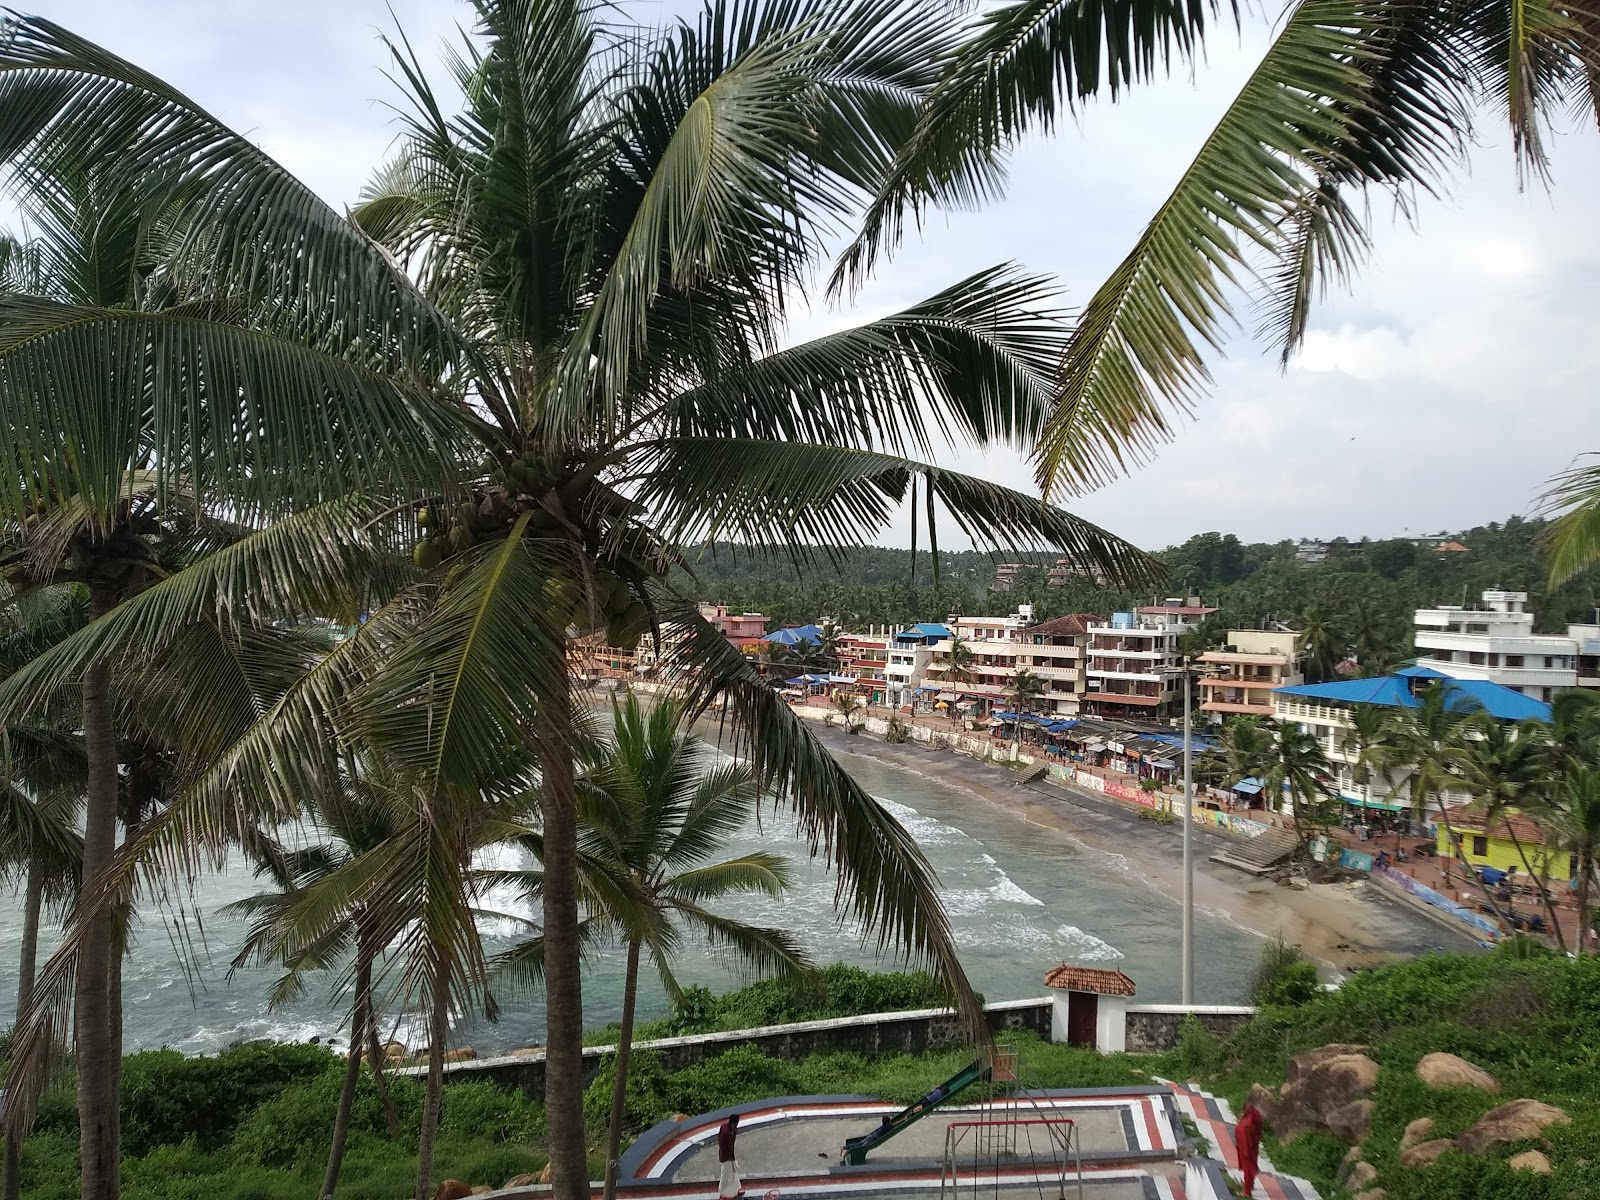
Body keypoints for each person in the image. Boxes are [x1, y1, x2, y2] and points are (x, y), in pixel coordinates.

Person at [1235, 1103, 1263, 1197]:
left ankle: (1247, 1191)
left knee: (1248, 1169)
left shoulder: (1247, 1124)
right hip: (1252, 1147)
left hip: (1246, 1148)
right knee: (1250, 1166)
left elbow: (1243, 1133)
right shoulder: (1254, 1120)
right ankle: (1250, 1185)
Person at [717, 1112, 742, 1200]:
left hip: (725, 1155)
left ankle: (736, 1189)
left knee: (733, 1173)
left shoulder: (724, 1126)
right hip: (726, 1157)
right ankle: (723, 1193)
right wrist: (734, 1134)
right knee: (725, 1175)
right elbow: (730, 1145)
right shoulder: (727, 1133)